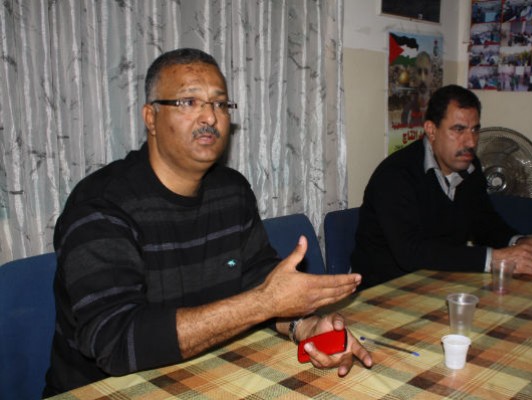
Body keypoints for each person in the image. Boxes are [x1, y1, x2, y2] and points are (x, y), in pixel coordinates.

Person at [43, 48, 372, 396]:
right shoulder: (100, 204)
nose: (210, 117)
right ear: (151, 117)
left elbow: (258, 277)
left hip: (207, 376)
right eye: (189, 102)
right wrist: (264, 302)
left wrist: (304, 326)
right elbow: (116, 341)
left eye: (219, 104)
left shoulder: (232, 191)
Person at [351, 85, 532, 289]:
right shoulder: (395, 175)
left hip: (440, 282)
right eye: (458, 130)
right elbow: (411, 253)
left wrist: (519, 242)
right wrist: (494, 259)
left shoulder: (469, 166)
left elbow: (484, 222)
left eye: (474, 130)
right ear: (431, 130)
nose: (470, 142)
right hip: (385, 290)